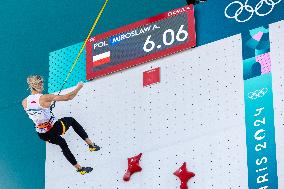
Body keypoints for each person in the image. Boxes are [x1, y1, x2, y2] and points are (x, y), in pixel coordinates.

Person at [22, 75, 100, 175]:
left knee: (62, 143)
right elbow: (68, 97)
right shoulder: (45, 97)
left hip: (42, 134)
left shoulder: (24, 102)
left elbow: (37, 114)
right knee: (71, 121)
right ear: (39, 84)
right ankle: (91, 145)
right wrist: (79, 87)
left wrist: (47, 109)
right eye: (42, 83)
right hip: (54, 129)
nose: (43, 85)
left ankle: (80, 169)